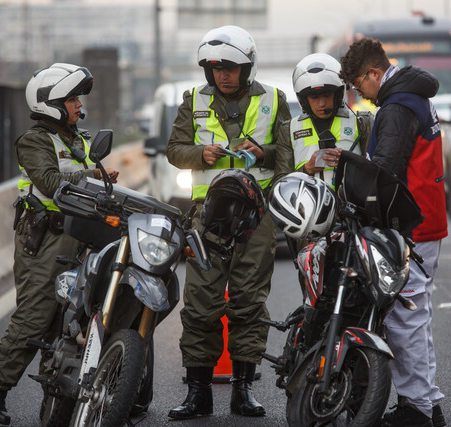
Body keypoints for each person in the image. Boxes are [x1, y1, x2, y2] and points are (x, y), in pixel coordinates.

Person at [0, 63, 118, 426]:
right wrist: (91, 175)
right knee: (36, 316)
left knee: (66, 323)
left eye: (78, 99)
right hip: (46, 238)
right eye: (71, 99)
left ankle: (54, 401)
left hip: (81, 237)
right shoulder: (34, 140)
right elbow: (51, 181)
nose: (79, 106)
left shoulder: (78, 139)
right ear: (50, 103)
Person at [165, 25, 291, 420]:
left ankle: (243, 390)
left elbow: (287, 156)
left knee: (249, 303)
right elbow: (174, 150)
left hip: (257, 216)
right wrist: (200, 154)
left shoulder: (275, 99)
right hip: (209, 218)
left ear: (247, 66)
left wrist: (265, 152)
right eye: (216, 67)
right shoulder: (193, 100)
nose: (223, 74)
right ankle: (197, 393)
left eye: (231, 67)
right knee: (201, 303)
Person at [340, 39, 448, 427]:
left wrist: (350, 176)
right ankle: (427, 403)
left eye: (357, 84)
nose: (358, 94)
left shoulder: (398, 106)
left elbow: (385, 171)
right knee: (417, 316)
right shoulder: (411, 94)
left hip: (410, 225)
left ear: (373, 73)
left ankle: (416, 410)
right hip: (425, 220)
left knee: (405, 318)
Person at [274, 52, 372, 187]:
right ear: (303, 99)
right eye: (314, 98)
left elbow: (377, 169)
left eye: (326, 95)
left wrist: (350, 162)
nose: (321, 104)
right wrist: (307, 168)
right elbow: (280, 182)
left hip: (352, 205)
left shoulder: (362, 121)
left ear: (338, 94)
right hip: (307, 206)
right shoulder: (289, 129)